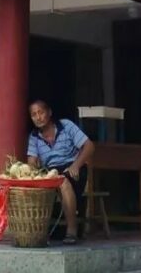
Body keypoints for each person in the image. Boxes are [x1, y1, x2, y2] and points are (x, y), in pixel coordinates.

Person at [27, 99, 94, 245]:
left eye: (41, 112)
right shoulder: (34, 136)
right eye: (33, 115)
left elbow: (89, 146)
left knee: (63, 181)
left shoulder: (66, 125)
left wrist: (76, 165)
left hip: (74, 168)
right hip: (51, 172)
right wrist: (32, 170)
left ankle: (72, 230)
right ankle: (38, 231)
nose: (38, 117)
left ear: (49, 113)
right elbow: (32, 160)